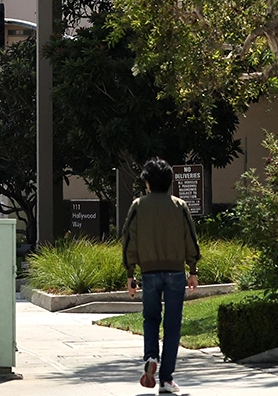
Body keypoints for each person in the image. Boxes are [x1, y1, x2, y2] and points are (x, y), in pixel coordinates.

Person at [123, 158, 201, 394]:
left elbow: (129, 240)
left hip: (149, 273)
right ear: (170, 182)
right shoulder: (179, 205)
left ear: (147, 182)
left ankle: (150, 356)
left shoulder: (138, 205)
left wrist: (130, 273)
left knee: (150, 319)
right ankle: (166, 379)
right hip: (176, 272)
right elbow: (191, 238)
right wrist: (193, 270)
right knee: (173, 324)